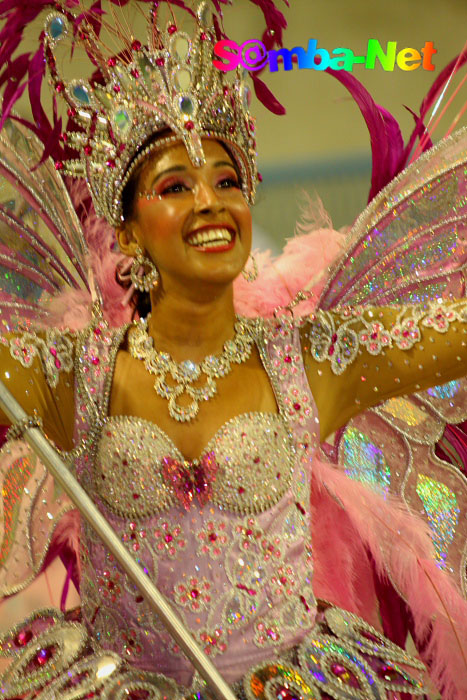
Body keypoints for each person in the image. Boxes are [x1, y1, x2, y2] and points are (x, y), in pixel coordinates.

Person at [0, 1, 466, 698]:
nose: (210, 203)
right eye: (175, 187)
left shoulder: (311, 358)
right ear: (128, 235)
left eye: (226, 182)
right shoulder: (73, 375)